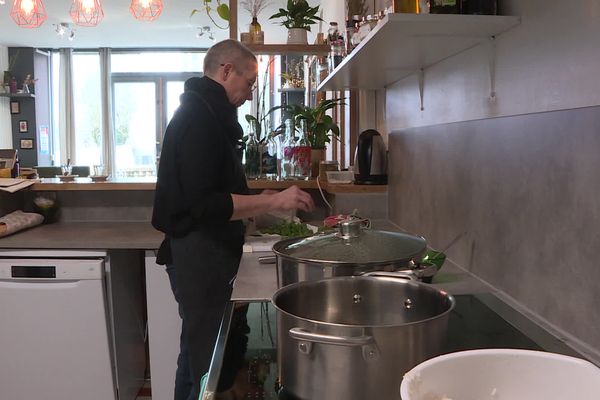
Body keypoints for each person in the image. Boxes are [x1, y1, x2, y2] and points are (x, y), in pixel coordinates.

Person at [152, 39, 314, 400]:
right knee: (207, 365)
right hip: (198, 255)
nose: (250, 93)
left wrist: (266, 201)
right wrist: (269, 202)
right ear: (226, 70)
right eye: (250, 83)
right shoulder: (197, 119)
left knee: (195, 355)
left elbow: (214, 191)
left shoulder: (206, 114)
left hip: (203, 254)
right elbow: (204, 204)